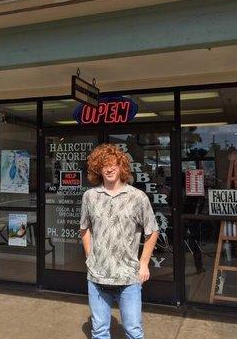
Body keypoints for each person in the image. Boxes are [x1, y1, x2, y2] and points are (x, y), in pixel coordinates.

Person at [80, 144, 159, 339]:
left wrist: (144, 263)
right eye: (104, 165)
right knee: (99, 332)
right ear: (98, 168)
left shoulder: (137, 197)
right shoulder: (90, 197)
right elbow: (84, 229)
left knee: (133, 331)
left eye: (113, 164)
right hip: (97, 277)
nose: (109, 168)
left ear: (121, 166)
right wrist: (90, 257)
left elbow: (152, 231)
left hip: (128, 278)